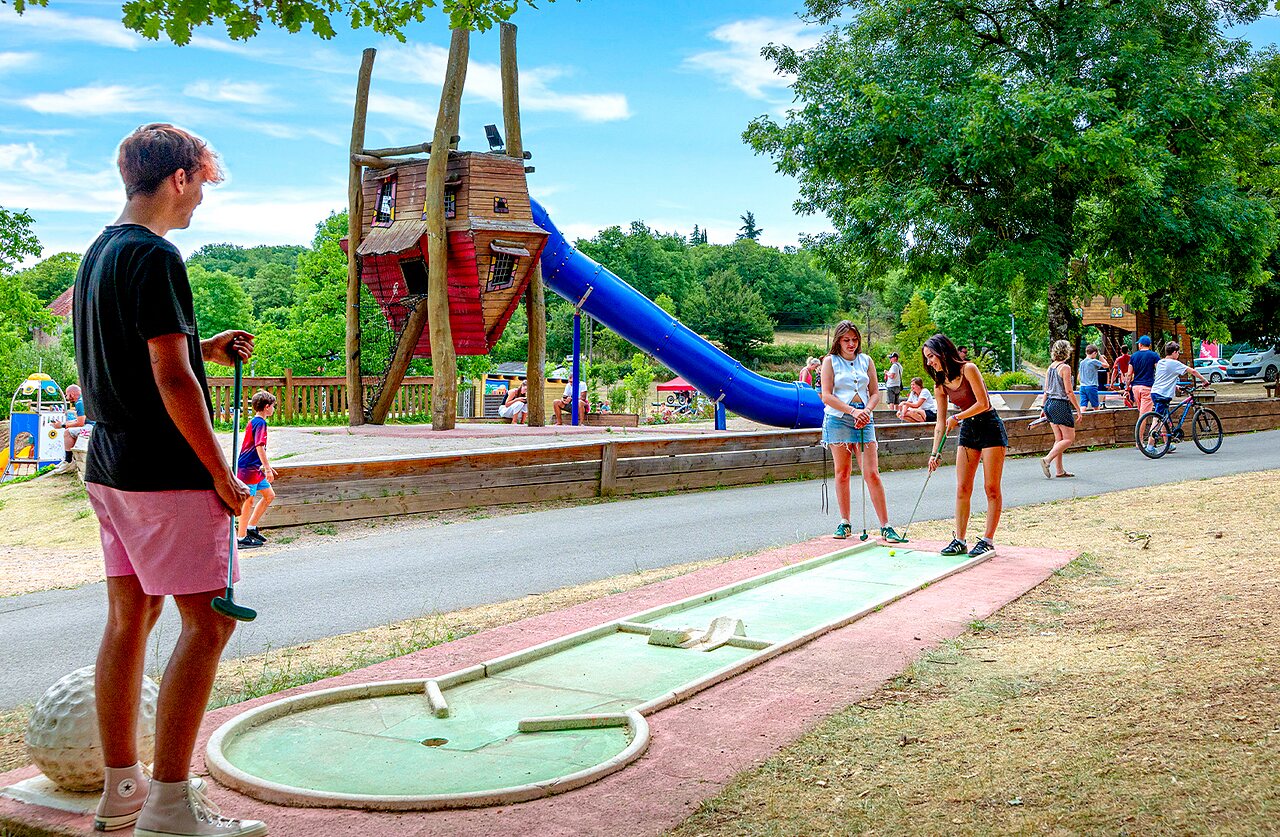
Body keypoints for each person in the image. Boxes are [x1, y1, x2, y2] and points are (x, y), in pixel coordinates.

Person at [72, 123, 267, 837]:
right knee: (209, 622)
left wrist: (201, 342)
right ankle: (170, 806)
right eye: (202, 184)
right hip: (165, 473)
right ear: (180, 177)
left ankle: (122, 790)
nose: (200, 202)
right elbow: (170, 376)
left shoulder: (99, 252)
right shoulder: (156, 254)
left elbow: (142, 350)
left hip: (110, 468)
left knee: (132, 618)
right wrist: (223, 473)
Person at [819, 320, 904, 542]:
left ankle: (886, 525)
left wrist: (865, 410)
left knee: (871, 473)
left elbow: (875, 392)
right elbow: (826, 395)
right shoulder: (830, 362)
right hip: (838, 418)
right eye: (846, 340)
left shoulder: (866, 361)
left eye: (855, 340)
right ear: (838, 340)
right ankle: (845, 522)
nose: (851, 344)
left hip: (864, 417)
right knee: (842, 472)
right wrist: (851, 411)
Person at [923, 333, 1006, 558]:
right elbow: (940, 422)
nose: (930, 362)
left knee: (991, 487)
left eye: (932, 356)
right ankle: (959, 539)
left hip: (989, 427)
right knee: (962, 487)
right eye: (927, 358)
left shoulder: (968, 369)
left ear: (942, 352)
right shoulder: (940, 384)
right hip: (969, 430)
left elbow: (983, 403)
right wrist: (935, 452)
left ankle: (988, 540)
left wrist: (958, 418)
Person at [235, 390, 278, 549]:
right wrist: (267, 468)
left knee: (269, 495)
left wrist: (265, 465)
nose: (274, 408)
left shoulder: (255, 422)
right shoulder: (260, 423)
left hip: (255, 467)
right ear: (267, 407)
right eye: (273, 406)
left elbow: (258, 448)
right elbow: (259, 446)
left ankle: (251, 527)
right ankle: (241, 537)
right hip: (248, 468)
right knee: (249, 500)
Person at [1148, 341, 1209, 452]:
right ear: (1175, 352)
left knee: (1164, 419)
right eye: (1178, 352)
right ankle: (1150, 446)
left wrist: (1176, 386)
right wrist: (1204, 381)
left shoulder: (1161, 362)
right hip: (1163, 394)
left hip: (1155, 392)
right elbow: (1193, 371)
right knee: (1157, 419)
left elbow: (1164, 378)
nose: (1178, 355)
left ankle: (1168, 444)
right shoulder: (1174, 363)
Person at [1039, 340, 1082, 479]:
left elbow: (1046, 390)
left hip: (1049, 404)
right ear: (1067, 351)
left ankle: (1059, 470)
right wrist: (1078, 409)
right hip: (1060, 404)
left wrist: (1043, 407)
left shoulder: (1050, 367)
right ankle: (1047, 459)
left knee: (1059, 439)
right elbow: (1069, 391)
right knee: (1069, 439)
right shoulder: (1065, 368)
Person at [52, 383, 91, 475]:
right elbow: (80, 419)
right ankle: (69, 460)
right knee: (71, 430)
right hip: (92, 425)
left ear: (72, 394)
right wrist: (64, 423)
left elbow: (80, 423)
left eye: (66, 394)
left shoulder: (80, 403)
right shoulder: (85, 399)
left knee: (68, 433)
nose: (66, 397)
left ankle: (69, 462)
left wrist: (62, 426)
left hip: (91, 427)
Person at [1129, 335, 1160, 416]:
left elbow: (1129, 374)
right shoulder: (1154, 355)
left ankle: (1141, 428)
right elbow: (1159, 371)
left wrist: (1126, 388)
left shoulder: (1133, 356)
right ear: (1149, 345)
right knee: (1143, 415)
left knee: (1141, 412)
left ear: (1140, 344)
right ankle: (1139, 429)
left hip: (1135, 388)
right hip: (1147, 387)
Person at [1078, 344, 1109, 411]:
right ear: (1094, 353)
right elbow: (1107, 365)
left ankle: (1081, 419)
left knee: (1083, 405)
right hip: (1091, 386)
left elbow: (1079, 376)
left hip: (1082, 386)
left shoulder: (1082, 363)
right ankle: (1097, 420)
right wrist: (1101, 358)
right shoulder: (1093, 361)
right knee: (1096, 406)